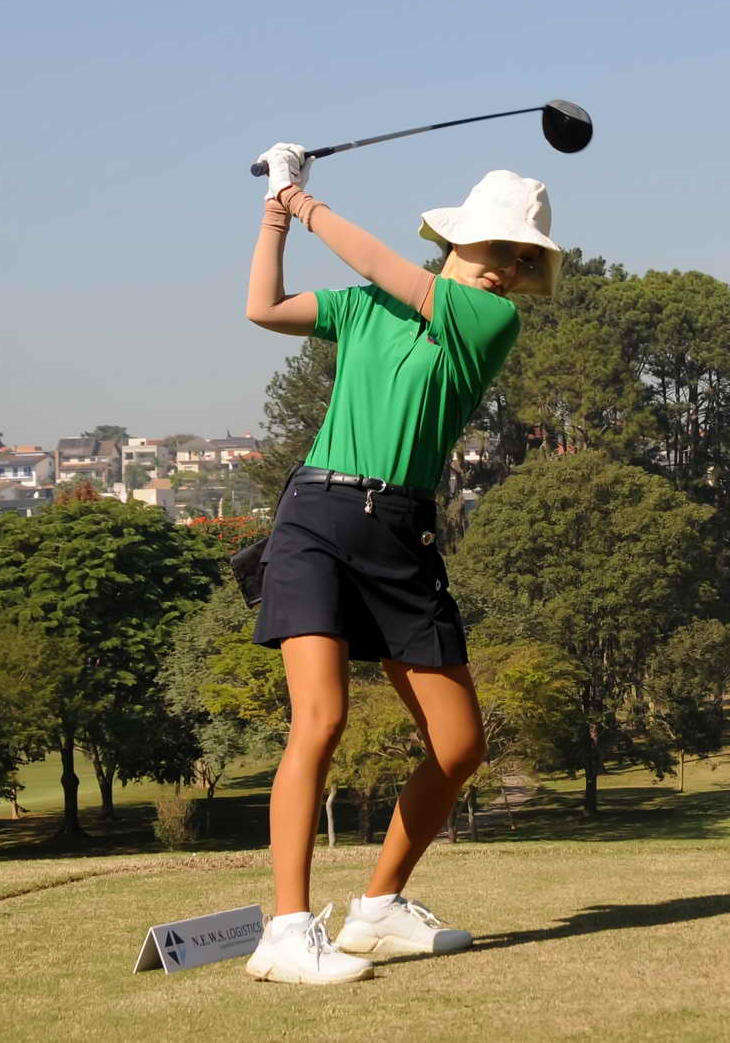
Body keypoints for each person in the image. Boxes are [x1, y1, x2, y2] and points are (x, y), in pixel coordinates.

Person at [238, 143, 562, 985]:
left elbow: (388, 268)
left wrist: (302, 200)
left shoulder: (487, 320)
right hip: (316, 515)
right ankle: (286, 930)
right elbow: (263, 306)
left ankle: (377, 909)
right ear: (459, 238)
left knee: (460, 745)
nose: (508, 269)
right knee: (320, 719)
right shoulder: (364, 308)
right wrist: (275, 211)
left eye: (522, 260)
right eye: (499, 248)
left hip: (401, 533)